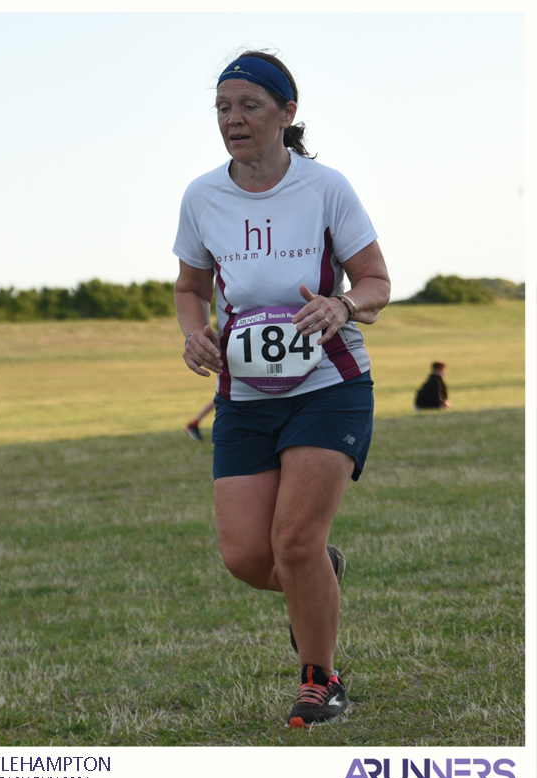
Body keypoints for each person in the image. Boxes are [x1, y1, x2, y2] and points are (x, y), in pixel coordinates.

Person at [173, 50, 390, 729]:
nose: (233, 120)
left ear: (286, 114)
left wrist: (342, 307)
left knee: (293, 540)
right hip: (245, 396)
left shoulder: (327, 188)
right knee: (246, 556)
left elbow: (378, 284)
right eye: (222, 108)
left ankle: (320, 682)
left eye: (249, 106)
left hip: (330, 385)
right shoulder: (202, 195)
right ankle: (318, 573)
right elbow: (189, 286)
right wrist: (194, 331)